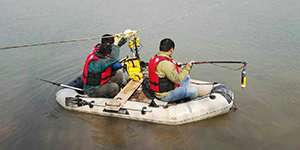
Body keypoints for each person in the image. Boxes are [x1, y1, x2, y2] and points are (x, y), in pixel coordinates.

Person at [82, 31, 136, 98]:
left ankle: (120, 90)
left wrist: (124, 39)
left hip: (100, 81)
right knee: (114, 87)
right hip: (93, 89)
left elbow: (113, 49)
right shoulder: (97, 63)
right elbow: (113, 59)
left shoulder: (101, 48)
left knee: (119, 74)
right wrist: (115, 44)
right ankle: (109, 98)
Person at [148, 38, 198, 102]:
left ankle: (182, 93)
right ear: (171, 50)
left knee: (187, 77)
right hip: (165, 95)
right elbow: (177, 80)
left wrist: (176, 65)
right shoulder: (166, 64)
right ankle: (182, 97)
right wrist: (188, 67)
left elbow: (163, 69)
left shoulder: (155, 57)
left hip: (161, 88)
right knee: (194, 90)